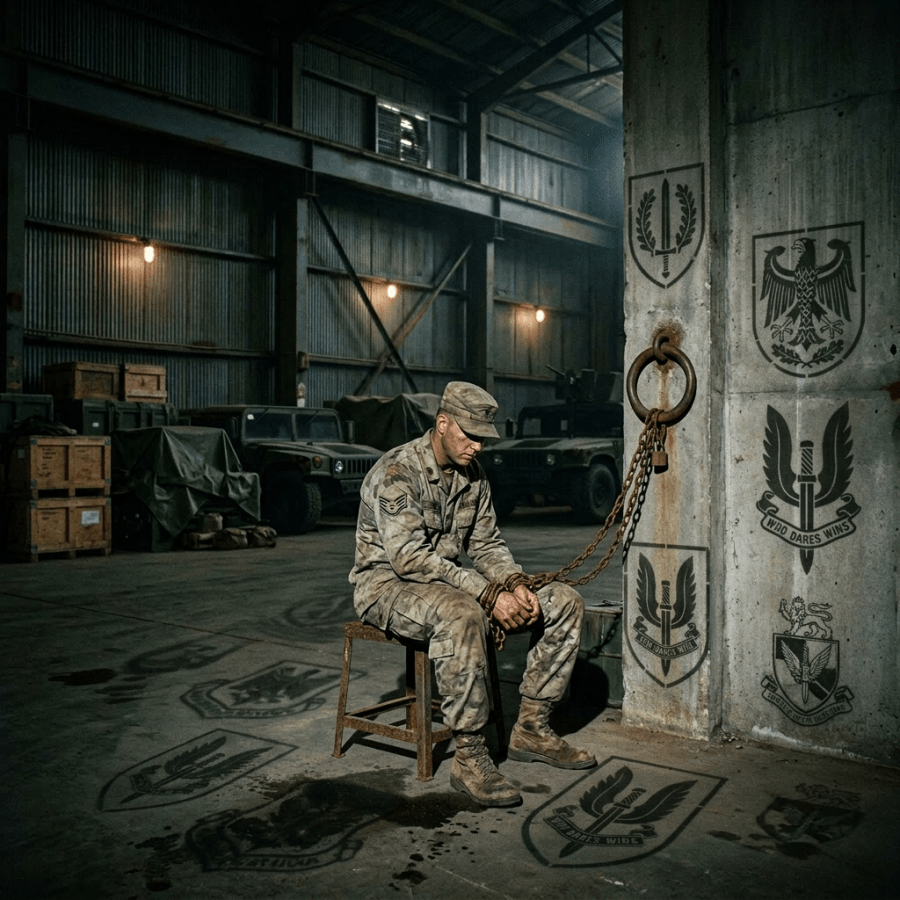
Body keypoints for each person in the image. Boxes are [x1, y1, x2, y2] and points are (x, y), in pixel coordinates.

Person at [349, 381, 596, 807]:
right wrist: (485, 594)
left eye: (484, 437)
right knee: (463, 615)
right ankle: (469, 756)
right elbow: (410, 560)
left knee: (562, 601)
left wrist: (514, 585)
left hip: (444, 583)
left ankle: (532, 728)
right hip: (385, 585)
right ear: (442, 424)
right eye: (471, 435)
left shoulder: (472, 475)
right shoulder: (397, 472)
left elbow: (486, 545)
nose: (478, 446)